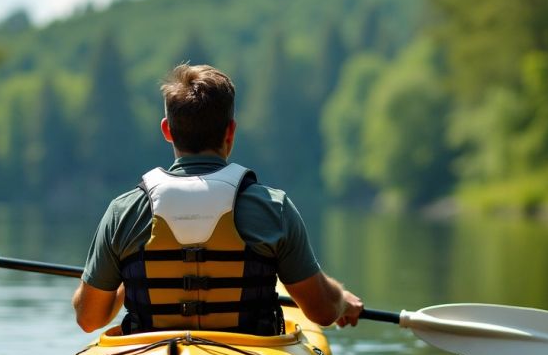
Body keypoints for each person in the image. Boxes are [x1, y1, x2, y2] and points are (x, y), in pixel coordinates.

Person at [73, 64, 363, 335]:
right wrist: (341, 300)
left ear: (167, 131)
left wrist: (127, 276)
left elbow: (89, 319)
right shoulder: (274, 208)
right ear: (231, 131)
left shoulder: (123, 212)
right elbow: (323, 311)